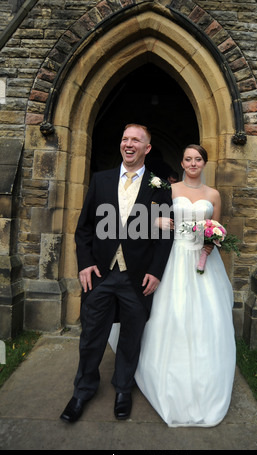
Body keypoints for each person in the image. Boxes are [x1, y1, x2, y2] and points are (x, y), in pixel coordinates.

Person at [60, 124, 174, 423]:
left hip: (137, 276)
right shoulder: (101, 180)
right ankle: (83, 390)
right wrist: (84, 263)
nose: (129, 143)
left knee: (131, 336)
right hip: (100, 274)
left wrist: (156, 271)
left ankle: (123, 388)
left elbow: (165, 234)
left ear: (147, 148)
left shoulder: (159, 185)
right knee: (92, 335)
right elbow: (84, 227)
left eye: (136, 140)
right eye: (125, 138)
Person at [134, 144, 236, 427]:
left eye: (198, 159)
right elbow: (144, 217)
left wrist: (210, 246)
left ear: (204, 163)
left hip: (202, 261)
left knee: (207, 319)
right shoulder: (170, 190)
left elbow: (217, 230)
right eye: (188, 159)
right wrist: (159, 221)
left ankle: (204, 374)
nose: (193, 163)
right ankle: (165, 372)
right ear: (181, 162)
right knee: (172, 315)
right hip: (173, 257)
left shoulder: (213, 194)